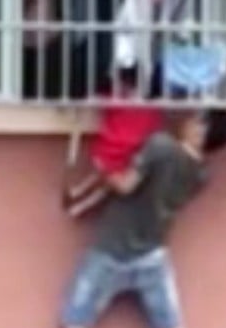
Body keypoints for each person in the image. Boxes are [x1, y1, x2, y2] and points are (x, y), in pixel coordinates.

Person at [57, 109, 225, 328]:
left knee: (75, 323)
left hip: (111, 249)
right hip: (153, 255)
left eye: (197, 119)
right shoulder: (202, 175)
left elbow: (126, 186)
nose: (188, 119)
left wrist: (103, 169)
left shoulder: (159, 145)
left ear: (202, 132)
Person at [63, 66, 164, 218]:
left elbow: (96, 101)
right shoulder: (152, 109)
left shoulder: (118, 99)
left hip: (107, 152)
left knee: (101, 177)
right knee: (106, 187)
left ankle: (78, 194)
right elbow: (155, 131)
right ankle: (79, 203)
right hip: (127, 158)